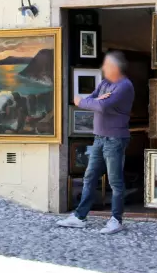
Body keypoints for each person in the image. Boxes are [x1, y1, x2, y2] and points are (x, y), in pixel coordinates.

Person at [57, 50, 134, 235]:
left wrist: (89, 102)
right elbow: (91, 100)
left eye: (106, 65)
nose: (103, 68)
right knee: (90, 177)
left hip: (115, 139)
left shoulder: (124, 86)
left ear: (115, 67)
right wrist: (92, 101)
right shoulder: (105, 83)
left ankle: (116, 220)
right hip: (99, 138)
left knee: (115, 182)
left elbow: (99, 106)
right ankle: (80, 216)